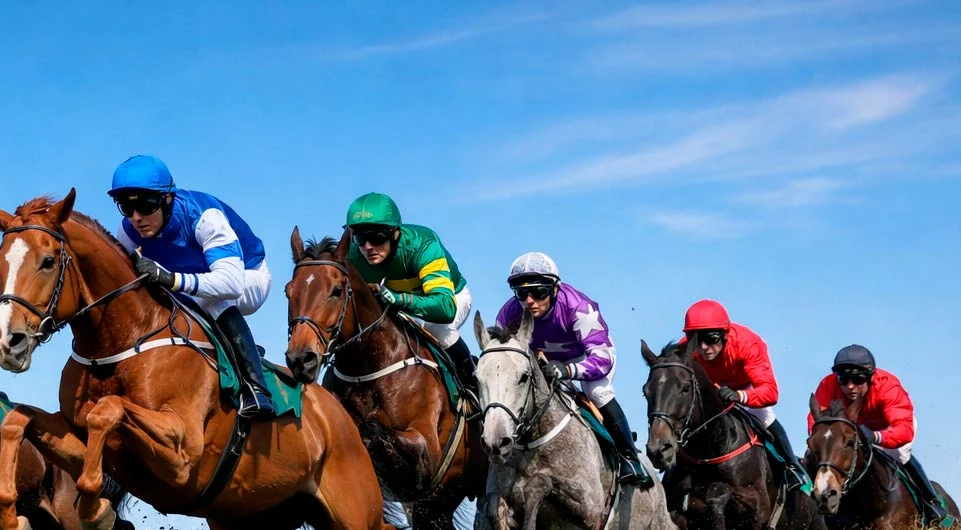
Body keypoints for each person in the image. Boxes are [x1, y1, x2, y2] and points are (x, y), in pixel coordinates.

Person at [108, 154, 275, 420]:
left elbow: (230, 284)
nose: (137, 218)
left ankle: (256, 389)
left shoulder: (204, 216)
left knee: (214, 298)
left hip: (246, 277)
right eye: (127, 209)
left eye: (146, 205)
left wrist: (171, 279)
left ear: (167, 199)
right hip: (191, 284)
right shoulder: (128, 231)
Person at [495, 252, 650, 487]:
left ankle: (629, 458)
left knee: (597, 391)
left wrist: (568, 371)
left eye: (538, 292)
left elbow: (602, 359)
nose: (529, 301)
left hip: (586, 356)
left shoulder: (578, 307)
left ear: (555, 289)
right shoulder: (508, 314)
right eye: (521, 293)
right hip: (541, 360)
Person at [808, 344, 951, 525]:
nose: (850, 386)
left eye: (858, 380)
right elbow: (817, 421)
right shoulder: (828, 384)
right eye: (844, 380)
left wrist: (876, 437)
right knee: (821, 457)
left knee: (900, 455)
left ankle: (931, 503)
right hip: (851, 430)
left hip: (889, 429)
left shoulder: (887, 386)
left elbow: (903, 430)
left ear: (869, 378)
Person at [343, 192, 475, 379]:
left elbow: (445, 308)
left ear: (394, 233)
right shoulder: (353, 256)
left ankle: (471, 383)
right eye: (360, 239)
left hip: (449, 298)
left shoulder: (423, 245)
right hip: (399, 306)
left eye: (376, 237)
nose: (368, 247)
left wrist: (398, 299)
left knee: (437, 330)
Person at [683, 299, 811, 491]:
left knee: (766, 418)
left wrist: (740, 396)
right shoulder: (686, 349)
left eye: (711, 339)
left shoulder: (748, 344)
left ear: (725, 335)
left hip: (745, 388)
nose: (703, 348)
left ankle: (792, 468)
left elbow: (770, 391)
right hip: (711, 391)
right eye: (696, 340)